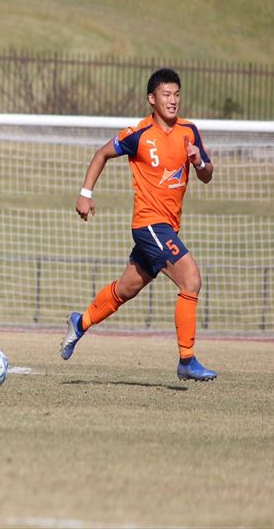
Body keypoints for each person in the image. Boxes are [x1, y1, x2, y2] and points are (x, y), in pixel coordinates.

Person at [61, 68, 217, 381]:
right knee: (191, 280)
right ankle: (187, 360)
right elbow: (102, 153)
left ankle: (81, 322)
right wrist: (85, 194)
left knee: (125, 289)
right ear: (152, 99)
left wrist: (198, 160)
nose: (173, 101)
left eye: (176, 94)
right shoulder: (139, 134)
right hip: (149, 224)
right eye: (166, 95)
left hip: (168, 227)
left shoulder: (190, 131)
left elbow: (207, 173)